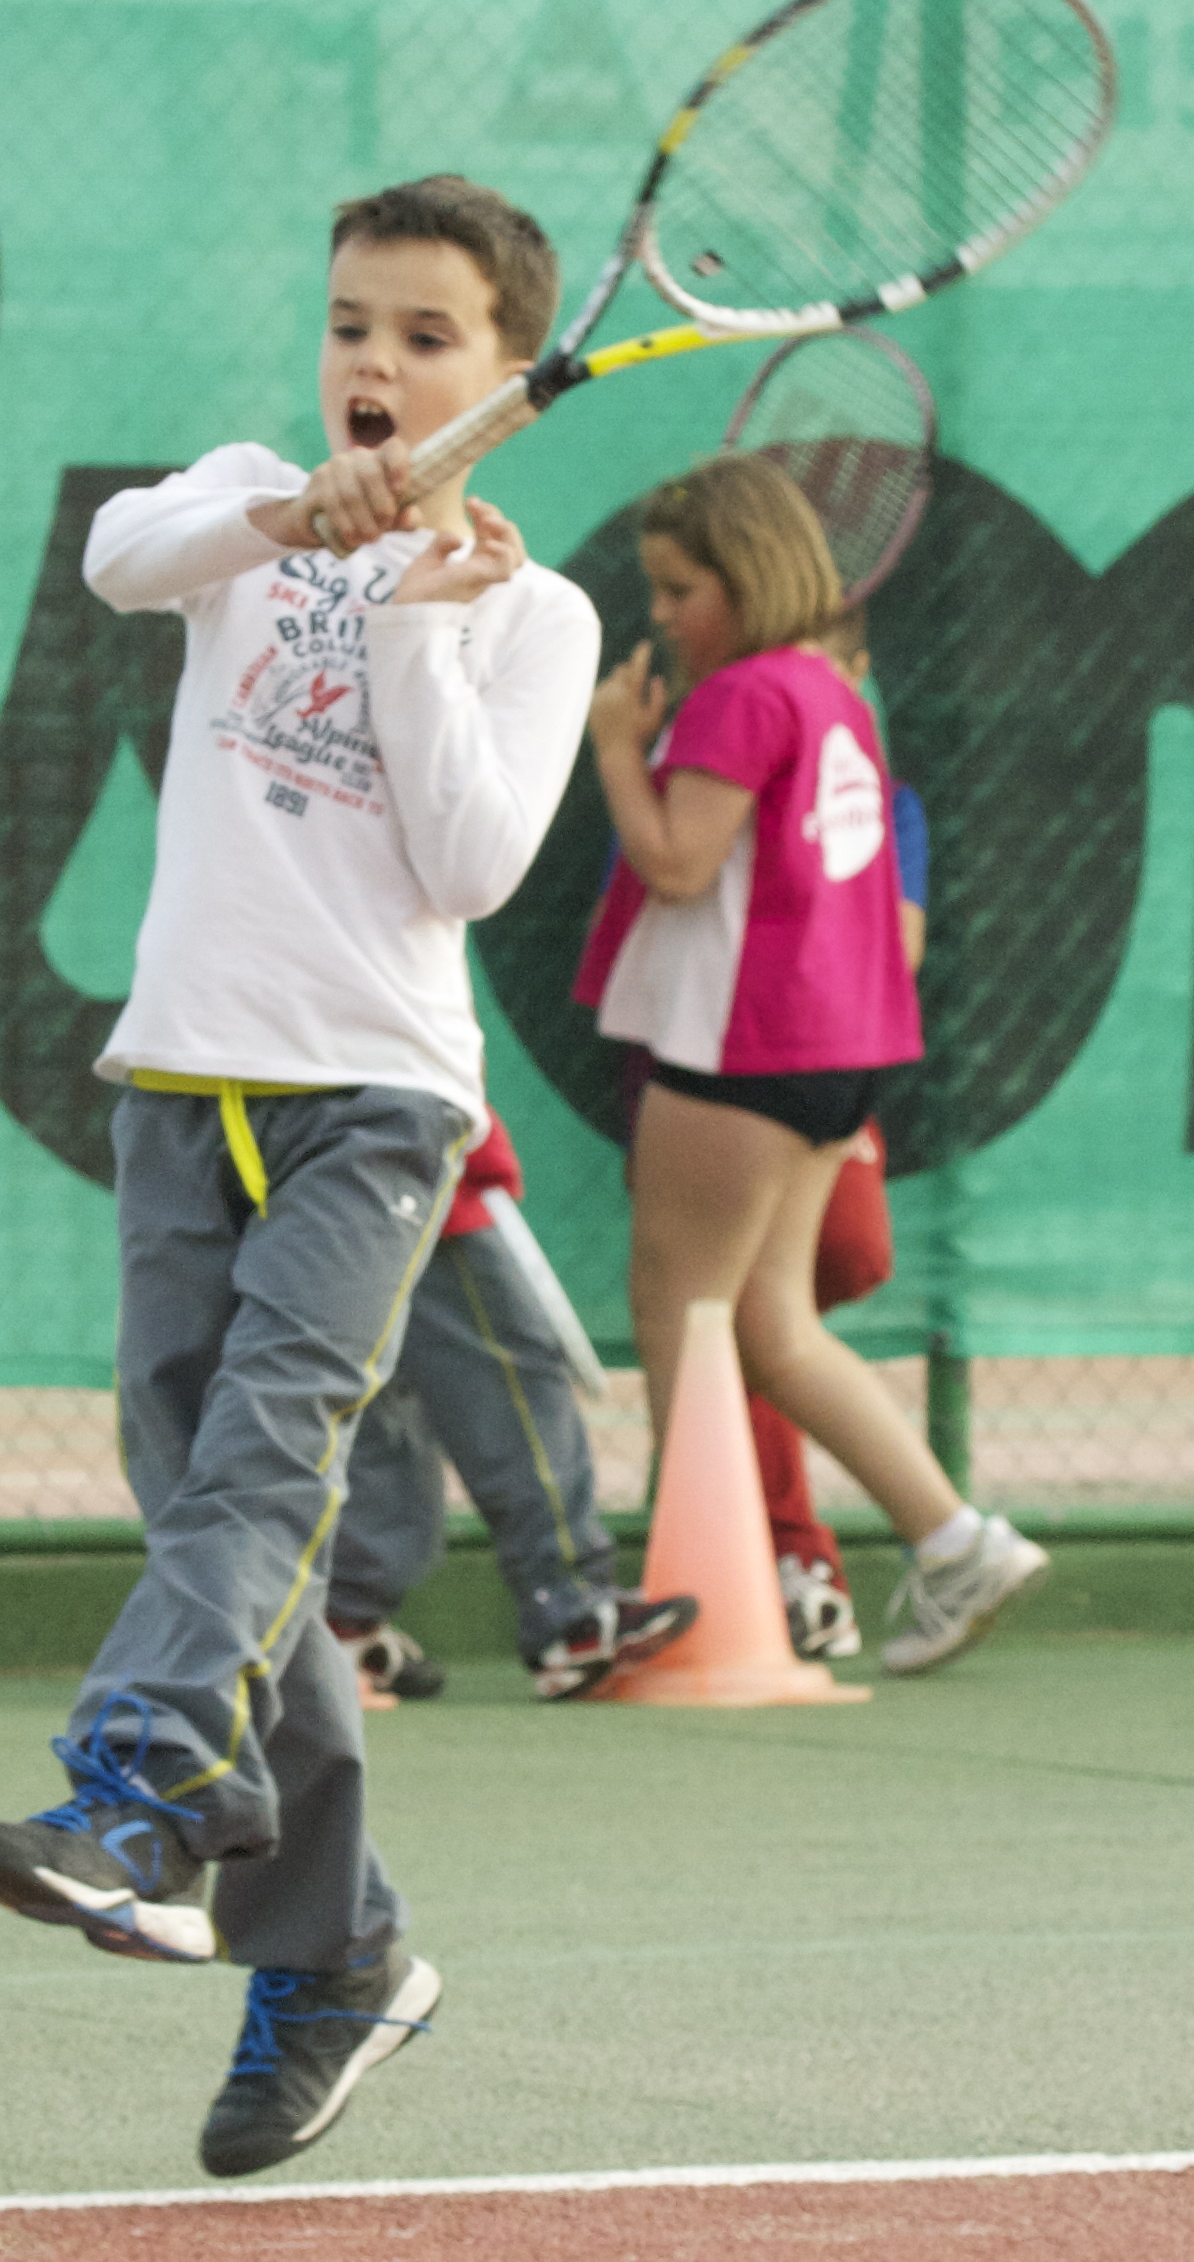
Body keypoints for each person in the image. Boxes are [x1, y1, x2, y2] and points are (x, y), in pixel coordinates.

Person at [0, 176, 603, 2179]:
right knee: (214, 1521)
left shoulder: (534, 613)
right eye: (349, 325)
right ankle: (340, 1954)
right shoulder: (244, 499)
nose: (374, 364)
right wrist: (294, 521)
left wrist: (412, 622)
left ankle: (138, 1791)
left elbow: (470, 865)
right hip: (179, 1080)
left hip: (373, 1108)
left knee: (258, 1466)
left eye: (425, 335)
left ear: (507, 376)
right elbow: (116, 557)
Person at [579, 455, 1047, 1679]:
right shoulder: (833, 693)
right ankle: (958, 1539)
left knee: (681, 1313)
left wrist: (617, 747)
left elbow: (678, 862)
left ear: (745, 578)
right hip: (840, 1056)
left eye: (680, 589)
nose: (663, 615)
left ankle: (694, 1601)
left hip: (744, 1051)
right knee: (772, 1326)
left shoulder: (740, 694)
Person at [327, 1106, 696, 1701]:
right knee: (503, 1377)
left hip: (332, 1167)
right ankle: (571, 1613)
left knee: (369, 1392)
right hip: (413, 1155)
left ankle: (342, 1622)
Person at [751, 607, 933, 1661]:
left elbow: (893, 948)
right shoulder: (703, 769)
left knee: (838, 1265)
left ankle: (944, 1538)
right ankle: (796, 1560)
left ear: (858, 674)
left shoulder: (887, 804)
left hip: (824, 1073)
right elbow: (652, 898)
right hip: (714, 1080)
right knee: (736, 1316)